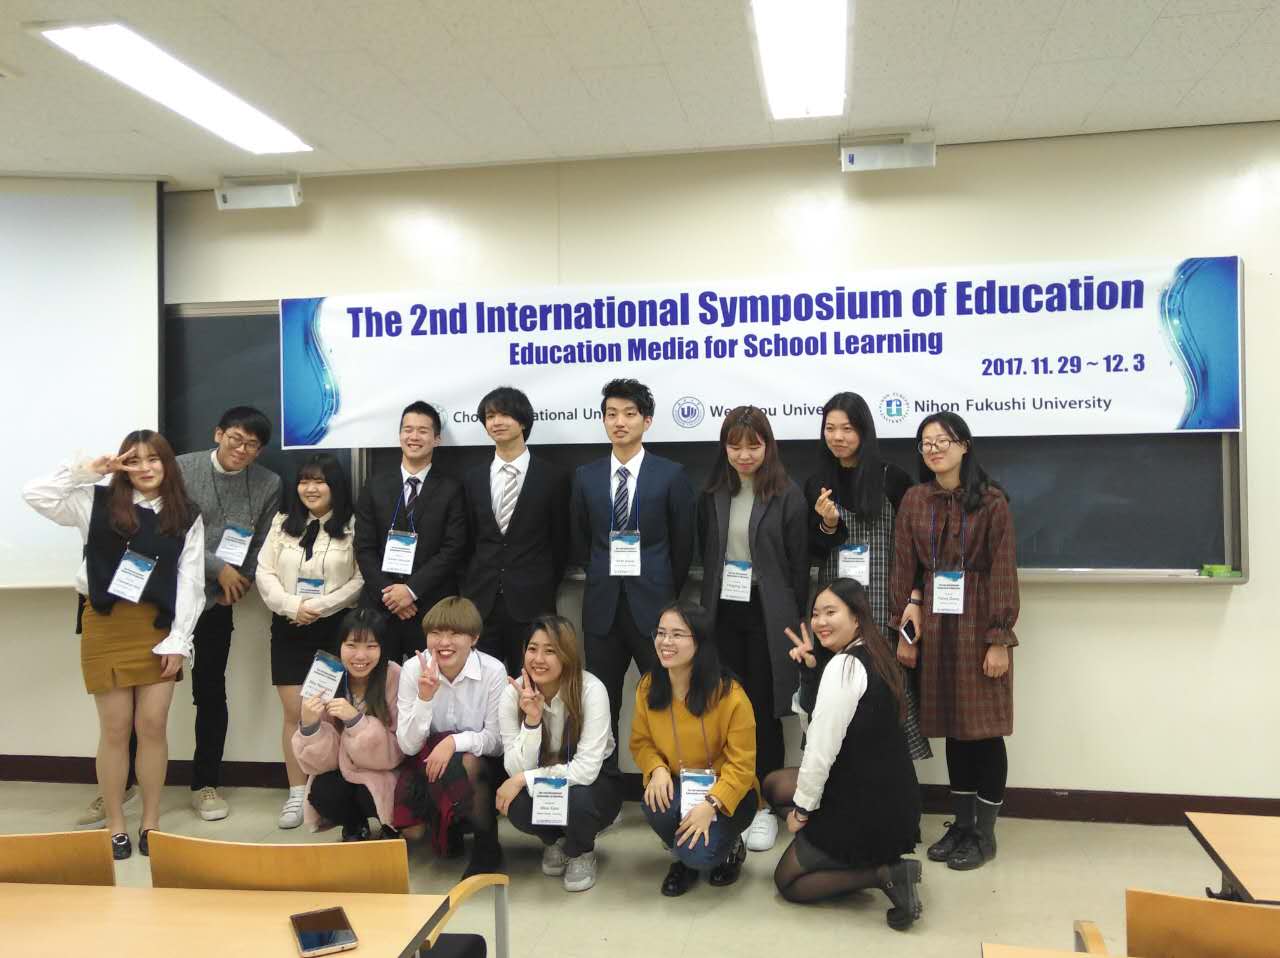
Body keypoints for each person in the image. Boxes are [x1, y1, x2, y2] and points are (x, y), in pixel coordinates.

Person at [24, 431, 204, 860]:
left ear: (167, 463)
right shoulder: (96, 501)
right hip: (105, 624)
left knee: (153, 726)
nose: (145, 468)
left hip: (158, 627)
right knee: (116, 729)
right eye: (134, 460)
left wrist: (180, 639)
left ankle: (151, 822)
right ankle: (116, 825)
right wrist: (88, 471)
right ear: (122, 465)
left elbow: (191, 580)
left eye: (153, 459)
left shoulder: (185, 514)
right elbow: (34, 494)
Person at [890, 411, 1020, 871]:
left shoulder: (992, 502)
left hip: (979, 622)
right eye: (926, 443)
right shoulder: (915, 499)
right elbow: (904, 565)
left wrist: (999, 638)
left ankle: (985, 833)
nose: (934, 449)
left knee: (983, 730)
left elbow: (1002, 570)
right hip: (936, 625)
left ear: (965, 445)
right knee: (953, 726)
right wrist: (906, 621)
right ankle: (962, 824)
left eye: (943, 441)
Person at [763, 579, 923, 930]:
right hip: (891, 801)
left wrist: (803, 811)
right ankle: (837, 849)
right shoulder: (873, 653)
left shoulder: (844, 667)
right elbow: (817, 723)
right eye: (816, 613)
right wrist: (809, 670)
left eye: (831, 612)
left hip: (864, 809)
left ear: (856, 616)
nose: (820, 622)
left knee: (788, 881)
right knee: (774, 784)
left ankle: (884, 873)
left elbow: (819, 750)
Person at [697, 405, 808, 853]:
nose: (743, 455)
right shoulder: (713, 493)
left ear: (768, 446)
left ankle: (762, 803)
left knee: (762, 709)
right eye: (735, 446)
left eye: (753, 446)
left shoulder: (788, 494)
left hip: (768, 614)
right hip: (722, 611)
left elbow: (798, 568)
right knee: (725, 707)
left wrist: (798, 624)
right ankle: (731, 797)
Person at [570, 379, 696, 762]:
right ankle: (601, 783)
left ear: (647, 420)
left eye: (629, 414)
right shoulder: (586, 476)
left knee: (663, 697)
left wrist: (664, 591)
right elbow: (580, 540)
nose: (619, 422)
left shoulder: (671, 475)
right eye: (611, 414)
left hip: (655, 608)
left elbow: (683, 545)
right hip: (602, 607)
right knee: (600, 703)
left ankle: (666, 779)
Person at [804, 392, 930, 761]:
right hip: (835, 608)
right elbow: (813, 551)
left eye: (847, 428)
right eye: (830, 428)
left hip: (883, 605)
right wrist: (828, 525)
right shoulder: (817, 483)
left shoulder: (892, 478)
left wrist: (914, 599)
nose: (837, 437)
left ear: (863, 431)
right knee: (838, 693)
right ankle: (841, 776)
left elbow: (916, 548)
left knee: (886, 691)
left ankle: (894, 779)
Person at [176, 406, 282, 822]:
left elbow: (264, 541)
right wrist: (219, 567)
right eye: (235, 439)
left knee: (209, 690)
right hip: (169, 594)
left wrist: (241, 580)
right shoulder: (181, 469)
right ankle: (125, 780)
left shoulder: (269, 483)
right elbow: (169, 531)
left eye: (252, 445)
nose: (242, 449)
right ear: (218, 433)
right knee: (143, 692)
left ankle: (206, 784)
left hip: (217, 602)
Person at [256, 453, 364, 829]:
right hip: (289, 627)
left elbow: (359, 580)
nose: (311, 488)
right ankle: (296, 792)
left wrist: (317, 606)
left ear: (335, 487)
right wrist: (292, 606)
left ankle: (328, 792)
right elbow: (264, 572)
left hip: (334, 629)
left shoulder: (353, 526)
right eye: (305, 481)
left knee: (331, 712)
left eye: (320, 481)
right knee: (295, 714)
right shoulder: (282, 523)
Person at [630, 602, 758, 897]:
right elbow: (640, 742)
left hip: (729, 793)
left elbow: (742, 767)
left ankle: (730, 847)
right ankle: (682, 857)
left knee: (701, 856)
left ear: (699, 642)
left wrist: (710, 805)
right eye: (660, 633)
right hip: (679, 785)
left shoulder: (731, 695)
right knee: (655, 802)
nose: (665, 642)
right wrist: (656, 769)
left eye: (677, 634)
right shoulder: (649, 686)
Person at [496, 615, 621, 893]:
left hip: (593, 783)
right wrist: (532, 721)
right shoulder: (512, 693)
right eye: (532, 649)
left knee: (578, 799)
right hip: (543, 776)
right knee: (516, 803)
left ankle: (581, 852)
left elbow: (585, 771)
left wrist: (523, 779)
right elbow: (514, 768)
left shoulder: (591, 690)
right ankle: (555, 841)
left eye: (550, 651)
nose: (538, 659)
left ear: (567, 655)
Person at [394, 596, 507, 877]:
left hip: (480, 762)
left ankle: (487, 846)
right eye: (436, 633)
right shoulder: (413, 669)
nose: (444, 642)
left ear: (474, 638)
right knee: (413, 831)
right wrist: (424, 698)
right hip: (429, 760)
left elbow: (496, 741)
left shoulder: (493, 671)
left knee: (468, 761)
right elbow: (408, 745)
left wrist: (454, 742)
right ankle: (449, 826)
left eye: (455, 633)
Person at [461, 387, 570, 676]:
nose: (496, 422)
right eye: (490, 416)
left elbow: (561, 542)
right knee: (480, 682)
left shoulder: (553, 477)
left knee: (532, 683)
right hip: (481, 603)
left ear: (523, 421)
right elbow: (468, 540)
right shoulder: (472, 478)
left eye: (505, 414)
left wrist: (541, 581)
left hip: (532, 601)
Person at [355, 401, 467, 663]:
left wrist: (411, 591)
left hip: (430, 607)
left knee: (431, 681)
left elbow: (454, 549)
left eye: (422, 431)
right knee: (379, 682)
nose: (414, 436)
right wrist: (390, 595)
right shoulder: (374, 485)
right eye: (408, 429)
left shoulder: (452, 489)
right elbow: (364, 547)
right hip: (381, 607)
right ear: (400, 435)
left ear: (437, 439)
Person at [293, 609, 403, 841]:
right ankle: (354, 824)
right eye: (351, 645)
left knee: (373, 790)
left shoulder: (394, 675)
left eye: (371, 646)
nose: (360, 655)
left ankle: (392, 823)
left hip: (385, 770)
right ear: (340, 646)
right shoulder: (325, 674)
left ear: (382, 648)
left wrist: (356, 721)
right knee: (324, 791)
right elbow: (321, 765)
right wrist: (310, 727)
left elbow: (398, 751)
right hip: (342, 770)